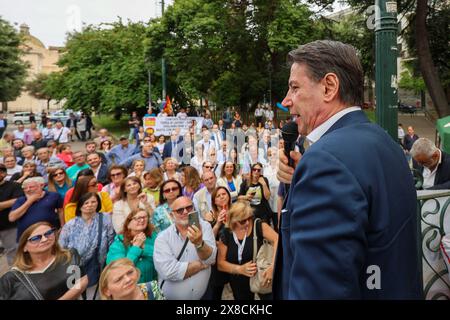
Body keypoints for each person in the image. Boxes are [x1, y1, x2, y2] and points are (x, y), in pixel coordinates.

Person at [274, 40, 422, 299]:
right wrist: (303, 182)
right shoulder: (385, 142)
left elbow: (319, 288)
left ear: (329, 87)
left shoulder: (325, 161)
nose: (287, 100)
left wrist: (313, 173)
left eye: (295, 87)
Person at [0, 222, 88, 300]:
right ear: (24, 247)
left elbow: (81, 281)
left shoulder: (70, 256)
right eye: (35, 238)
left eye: (48, 233)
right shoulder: (11, 278)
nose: (44, 239)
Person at [153, 196, 217, 300]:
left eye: (189, 208)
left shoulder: (205, 227)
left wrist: (199, 244)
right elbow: (169, 271)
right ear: (171, 215)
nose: (185, 212)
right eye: (179, 210)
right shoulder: (162, 238)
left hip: (203, 296)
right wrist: (199, 265)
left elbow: (211, 258)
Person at [59, 192, 115, 299]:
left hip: (98, 265)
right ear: (80, 206)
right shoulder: (70, 225)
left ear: (98, 204)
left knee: (95, 295)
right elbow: (61, 247)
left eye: (93, 202)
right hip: (74, 267)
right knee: (76, 294)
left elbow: (111, 241)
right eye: (86, 203)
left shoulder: (105, 219)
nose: (90, 205)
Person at [217, 201, 277, 300]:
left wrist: (272, 267)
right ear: (233, 220)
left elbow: (277, 240)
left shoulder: (258, 225)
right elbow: (220, 264)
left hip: (261, 275)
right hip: (238, 281)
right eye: (242, 221)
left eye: (249, 218)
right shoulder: (226, 233)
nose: (248, 223)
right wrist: (240, 269)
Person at [106, 209, 158, 283]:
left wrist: (144, 248)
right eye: (137, 218)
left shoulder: (153, 237)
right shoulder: (118, 244)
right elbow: (120, 269)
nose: (142, 220)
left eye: (144, 217)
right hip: (128, 288)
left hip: (151, 286)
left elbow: (162, 257)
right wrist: (136, 248)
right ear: (128, 224)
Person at [9, 177, 63, 241]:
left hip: (49, 234)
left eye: (31, 187)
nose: (28, 190)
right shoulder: (20, 200)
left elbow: (60, 211)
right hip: (27, 237)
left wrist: (63, 226)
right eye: (25, 188)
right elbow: (12, 218)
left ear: (41, 186)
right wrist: (29, 201)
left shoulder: (54, 196)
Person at [99, 258, 164, 300]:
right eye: (118, 279)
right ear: (107, 291)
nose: (128, 280)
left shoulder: (152, 288)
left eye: (130, 272)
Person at [0, 163, 24, 266]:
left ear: (4, 173)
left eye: (1, 171)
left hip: (10, 226)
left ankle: (15, 279)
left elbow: (19, 200)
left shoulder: (14, 185)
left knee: (13, 254)